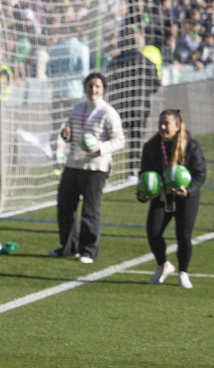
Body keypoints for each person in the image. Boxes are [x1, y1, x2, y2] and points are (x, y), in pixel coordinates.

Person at [53, 72, 124, 264]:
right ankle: (68, 248)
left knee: (90, 210)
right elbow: (69, 131)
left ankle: (88, 251)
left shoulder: (108, 112)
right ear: (85, 88)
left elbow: (119, 140)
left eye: (97, 87)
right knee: (65, 206)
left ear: (103, 90)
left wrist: (100, 148)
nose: (93, 90)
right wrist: (66, 134)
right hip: (74, 163)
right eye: (90, 86)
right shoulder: (77, 108)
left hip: (96, 167)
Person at [139, 109, 204, 288]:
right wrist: (143, 193)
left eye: (166, 123)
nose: (162, 127)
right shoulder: (151, 146)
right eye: (160, 123)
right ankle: (163, 265)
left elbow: (200, 174)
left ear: (177, 126)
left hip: (185, 198)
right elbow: (144, 173)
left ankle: (183, 272)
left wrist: (188, 191)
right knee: (153, 232)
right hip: (162, 196)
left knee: (183, 235)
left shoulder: (191, 146)